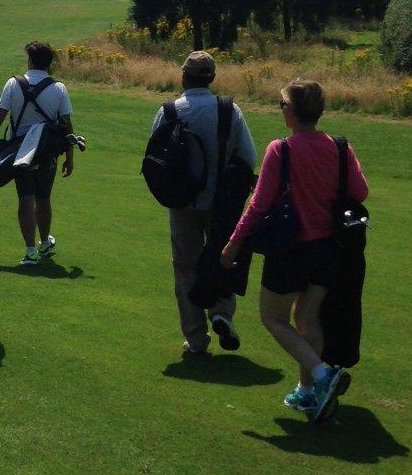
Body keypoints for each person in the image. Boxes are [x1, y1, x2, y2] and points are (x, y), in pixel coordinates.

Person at [222, 79, 368, 422]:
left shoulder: (281, 148)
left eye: (282, 105)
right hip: (329, 249)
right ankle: (307, 394)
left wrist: (233, 242)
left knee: (273, 317)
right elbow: (360, 192)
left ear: (293, 112)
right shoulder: (340, 147)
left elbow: (258, 205)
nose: (281, 110)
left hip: (290, 251)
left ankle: (321, 375)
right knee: (308, 317)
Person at [148, 50, 257, 355]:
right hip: (222, 202)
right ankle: (222, 312)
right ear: (212, 78)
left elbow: (155, 160)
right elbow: (248, 158)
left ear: (183, 76)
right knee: (222, 257)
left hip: (181, 202)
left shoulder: (168, 111)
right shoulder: (229, 110)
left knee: (185, 267)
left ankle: (196, 338)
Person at [0, 41, 76, 264]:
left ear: (29, 60)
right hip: (46, 153)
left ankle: (30, 250)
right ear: (49, 64)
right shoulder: (58, 88)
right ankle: (45, 242)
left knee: (25, 198)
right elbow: (67, 126)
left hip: (20, 153)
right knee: (44, 198)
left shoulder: (13, 84)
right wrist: (69, 157)